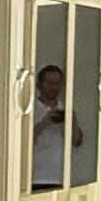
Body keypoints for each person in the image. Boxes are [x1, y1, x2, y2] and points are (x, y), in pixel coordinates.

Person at [30, 62, 67, 191]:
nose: (54, 87)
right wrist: (43, 124)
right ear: (39, 85)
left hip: (61, 177)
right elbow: (24, 142)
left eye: (57, 83)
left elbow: (77, 141)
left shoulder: (65, 108)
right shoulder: (31, 109)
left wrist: (71, 121)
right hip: (36, 177)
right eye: (50, 83)